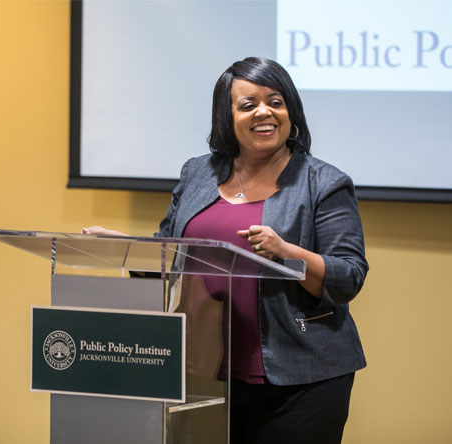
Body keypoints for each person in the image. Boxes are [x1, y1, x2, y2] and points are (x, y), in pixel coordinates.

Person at [83, 57, 368, 444]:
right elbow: (172, 255)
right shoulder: (198, 173)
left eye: (275, 101)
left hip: (301, 377)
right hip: (203, 371)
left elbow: (348, 276)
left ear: (291, 111)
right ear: (227, 116)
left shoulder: (324, 183)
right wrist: (127, 250)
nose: (264, 112)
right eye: (248, 104)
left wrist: (287, 251)